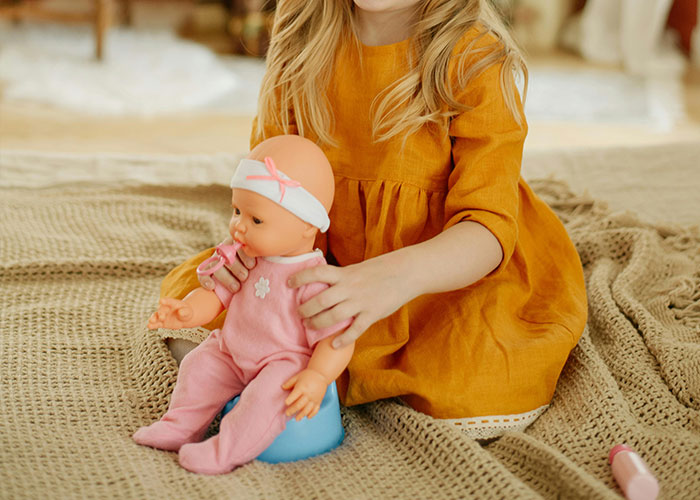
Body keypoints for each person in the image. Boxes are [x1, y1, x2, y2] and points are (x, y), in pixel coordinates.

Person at [160, 0, 587, 440]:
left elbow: (487, 227)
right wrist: (250, 250)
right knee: (198, 312)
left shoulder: (474, 57)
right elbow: (271, 181)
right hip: (322, 260)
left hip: (441, 276)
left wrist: (392, 278)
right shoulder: (303, 32)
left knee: (482, 377)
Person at [134, 135, 354, 474]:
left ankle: (225, 450)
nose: (238, 226)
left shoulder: (314, 280)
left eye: (256, 220)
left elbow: (337, 338)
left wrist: (318, 375)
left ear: (307, 224)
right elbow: (216, 296)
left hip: (282, 363)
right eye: (237, 211)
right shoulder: (244, 256)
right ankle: (179, 425)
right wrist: (187, 311)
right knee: (198, 365)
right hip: (232, 350)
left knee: (266, 400)